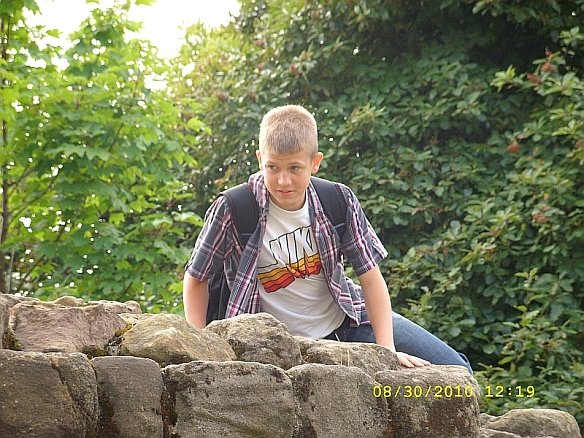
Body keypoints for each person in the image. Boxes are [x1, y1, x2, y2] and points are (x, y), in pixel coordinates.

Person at [183, 104, 471, 372]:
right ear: (260, 160)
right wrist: (200, 348)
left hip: (347, 322)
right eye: (273, 167)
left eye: (294, 168)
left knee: (457, 368)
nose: (283, 180)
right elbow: (196, 277)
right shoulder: (234, 207)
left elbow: (370, 278)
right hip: (275, 345)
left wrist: (386, 350)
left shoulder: (337, 200)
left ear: (315, 162)